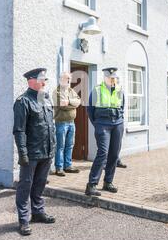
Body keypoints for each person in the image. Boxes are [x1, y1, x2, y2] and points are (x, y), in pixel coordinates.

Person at [13, 68, 56, 236]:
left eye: (45, 79)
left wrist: (53, 146)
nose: (44, 83)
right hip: (31, 153)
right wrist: (22, 153)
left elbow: (49, 125)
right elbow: (19, 130)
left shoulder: (45, 98)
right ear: (31, 81)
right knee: (25, 186)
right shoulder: (22, 101)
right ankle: (23, 220)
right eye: (41, 80)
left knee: (40, 184)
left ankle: (38, 212)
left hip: (46, 151)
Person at [85, 67, 125, 196]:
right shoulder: (97, 90)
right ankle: (91, 184)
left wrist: (120, 120)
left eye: (115, 78)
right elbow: (90, 110)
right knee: (103, 153)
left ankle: (108, 182)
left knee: (114, 154)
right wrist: (97, 124)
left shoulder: (119, 90)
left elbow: (122, 107)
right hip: (103, 125)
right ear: (105, 78)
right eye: (111, 78)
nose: (113, 80)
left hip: (117, 124)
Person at [52, 72, 81, 177]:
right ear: (61, 79)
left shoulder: (70, 90)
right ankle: (59, 168)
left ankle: (67, 166)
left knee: (69, 145)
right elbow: (62, 106)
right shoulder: (57, 92)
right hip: (61, 123)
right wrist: (72, 104)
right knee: (60, 146)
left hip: (71, 123)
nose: (68, 80)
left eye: (69, 78)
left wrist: (69, 102)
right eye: (66, 78)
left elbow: (78, 102)